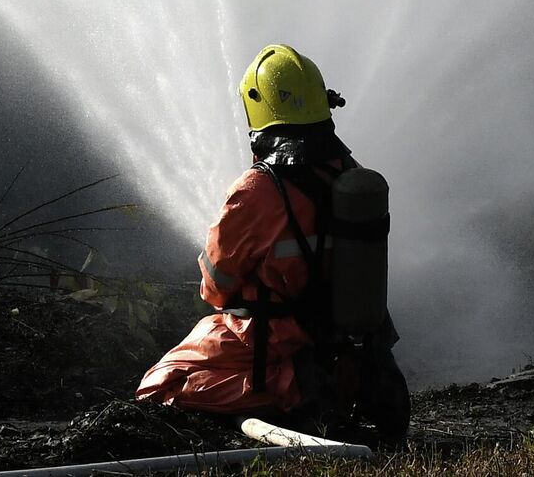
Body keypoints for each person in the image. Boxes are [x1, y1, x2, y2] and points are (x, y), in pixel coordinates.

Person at [136, 44, 407, 437]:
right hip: (345, 348)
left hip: (275, 346)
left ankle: (289, 393)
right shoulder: (350, 176)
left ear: (260, 110)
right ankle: (326, 387)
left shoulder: (255, 191)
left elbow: (215, 289)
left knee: (158, 386)